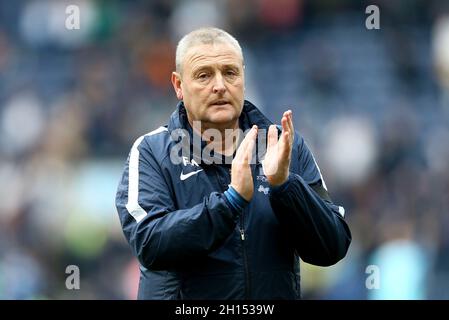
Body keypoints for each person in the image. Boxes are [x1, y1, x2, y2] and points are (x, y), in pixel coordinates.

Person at [115, 27, 351, 300]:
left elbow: (332, 246)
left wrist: (286, 187)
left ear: (243, 78)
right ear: (178, 85)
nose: (219, 85)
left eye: (230, 72)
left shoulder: (284, 146)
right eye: (204, 75)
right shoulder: (151, 152)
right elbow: (150, 243)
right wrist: (230, 202)